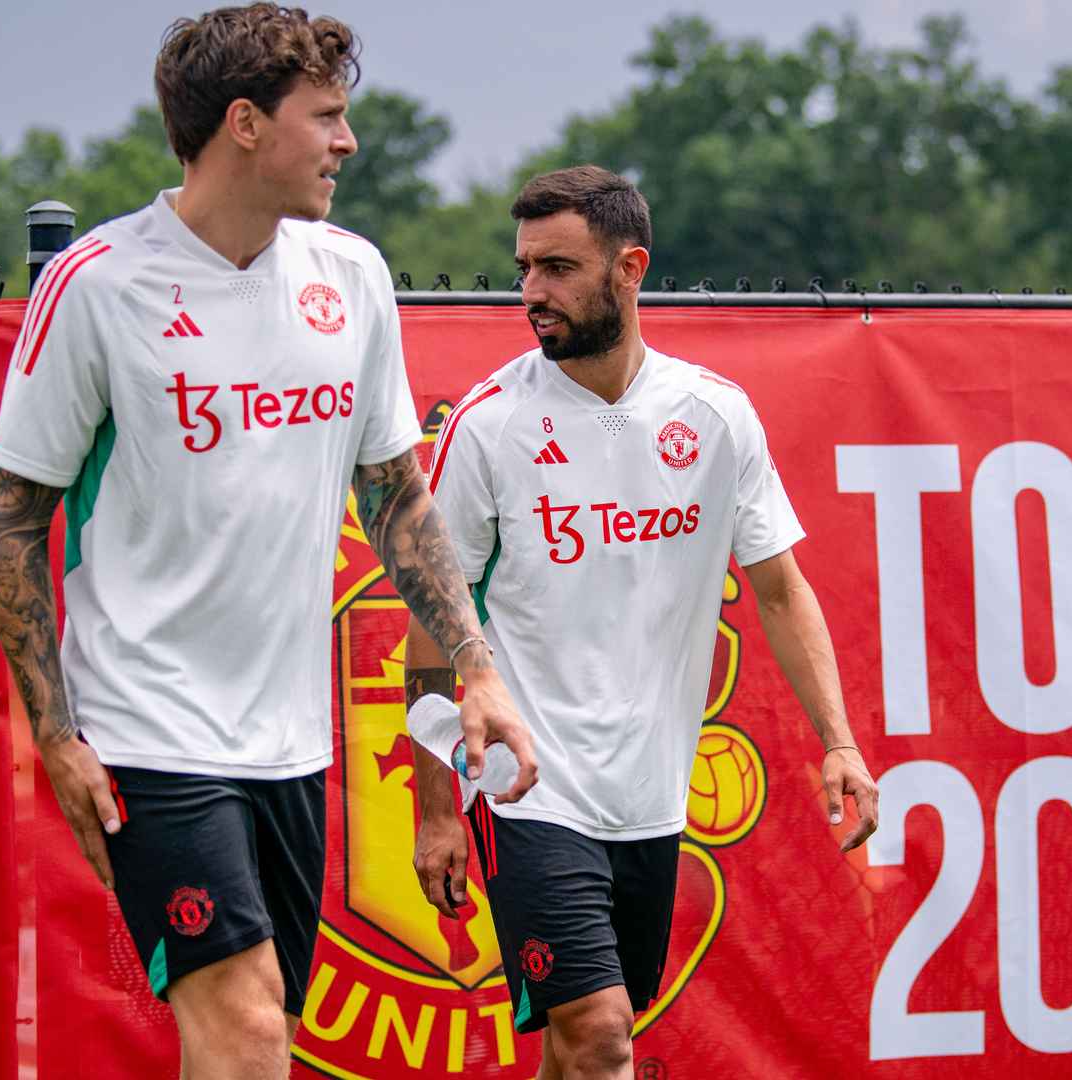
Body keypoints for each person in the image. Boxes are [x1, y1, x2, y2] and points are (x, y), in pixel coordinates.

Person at [0, 7, 536, 1077]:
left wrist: (475, 668)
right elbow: (11, 522)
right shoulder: (95, 285)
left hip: (290, 742)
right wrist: (57, 734)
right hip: (148, 728)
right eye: (325, 117)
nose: (347, 142)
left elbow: (400, 496)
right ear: (243, 124)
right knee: (240, 1026)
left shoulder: (352, 275)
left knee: (262, 1032)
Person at [404, 165, 879, 1080]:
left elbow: (779, 590)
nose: (532, 293)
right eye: (524, 268)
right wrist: (437, 809)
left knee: (580, 1049)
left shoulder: (714, 415)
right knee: (601, 1034)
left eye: (558, 268)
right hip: (522, 786)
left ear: (631, 267)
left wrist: (841, 743)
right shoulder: (492, 423)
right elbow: (433, 623)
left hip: (648, 801)